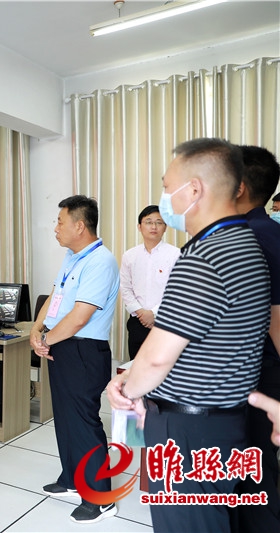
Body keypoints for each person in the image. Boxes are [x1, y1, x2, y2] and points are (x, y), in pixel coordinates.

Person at [107, 138, 270, 533]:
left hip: (188, 431)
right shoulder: (244, 243)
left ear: (193, 189)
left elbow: (157, 357)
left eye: (167, 186)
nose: (165, 199)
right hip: (220, 421)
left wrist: (126, 388)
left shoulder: (205, 257)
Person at [30, 195, 120, 524]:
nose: (55, 228)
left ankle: (100, 499)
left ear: (80, 226)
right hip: (62, 345)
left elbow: (80, 317)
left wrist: (46, 339)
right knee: (66, 418)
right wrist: (37, 328)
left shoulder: (101, 261)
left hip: (83, 350)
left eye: (60, 222)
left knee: (83, 422)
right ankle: (72, 479)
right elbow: (55, 296)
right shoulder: (72, 257)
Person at [233, 145, 280, 532]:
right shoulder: (270, 231)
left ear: (239, 187)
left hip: (254, 372)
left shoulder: (247, 236)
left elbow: (274, 317)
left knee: (252, 464)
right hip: (260, 369)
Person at [119, 206, 179, 360]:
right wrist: (141, 313)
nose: (154, 227)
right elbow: (125, 288)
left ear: (165, 227)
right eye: (149, 222)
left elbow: (177, 290)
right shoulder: (129, 256)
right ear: (139, 227)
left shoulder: (176, 255)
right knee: (136, 367)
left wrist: (153, 313)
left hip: (166, 322)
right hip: (137, 323)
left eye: (159, 222)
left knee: (165, 368)